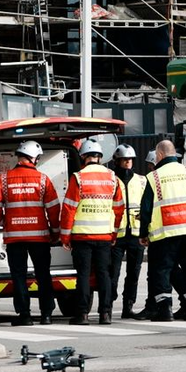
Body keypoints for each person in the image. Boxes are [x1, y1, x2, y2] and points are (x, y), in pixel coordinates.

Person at [0, 140, 60, 326]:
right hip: (40, 238)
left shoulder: (4, 179)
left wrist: (5, 221)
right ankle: (46, 315)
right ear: (33, 158)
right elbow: (53, 208)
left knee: (18, 276)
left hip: (14, 238)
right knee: (43, 274)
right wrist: (55, 231)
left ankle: (24, 315)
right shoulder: (43, 179)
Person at [135, 138, 186, 322]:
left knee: (163, 270)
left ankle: (164, 310)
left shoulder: (154, 177)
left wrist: (143, 234)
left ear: (159, 155)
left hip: (165, 233)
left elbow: (146, 209)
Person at [60, 139, 125, 325]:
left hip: (82, 236)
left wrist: (65, 236)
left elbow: (69, 209)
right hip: (104, 236)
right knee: (104, 274)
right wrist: (113, 233)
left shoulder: (78, 177)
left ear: (83, 157)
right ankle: (105, 314)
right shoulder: (112, 177)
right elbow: (119, 208)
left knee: (84, 275)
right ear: (99, 157)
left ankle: (82, 315)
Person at [109, 144, 146, 319]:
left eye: (130, 159)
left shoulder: (141, 180)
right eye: (124, 159)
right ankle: (108, 305)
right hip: (116, 234)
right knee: (113, 273)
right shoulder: (110, 180)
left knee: (133, 274)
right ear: (117, 161)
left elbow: (146, 206)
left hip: (136, 234)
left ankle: (128, 306)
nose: (128, 162)